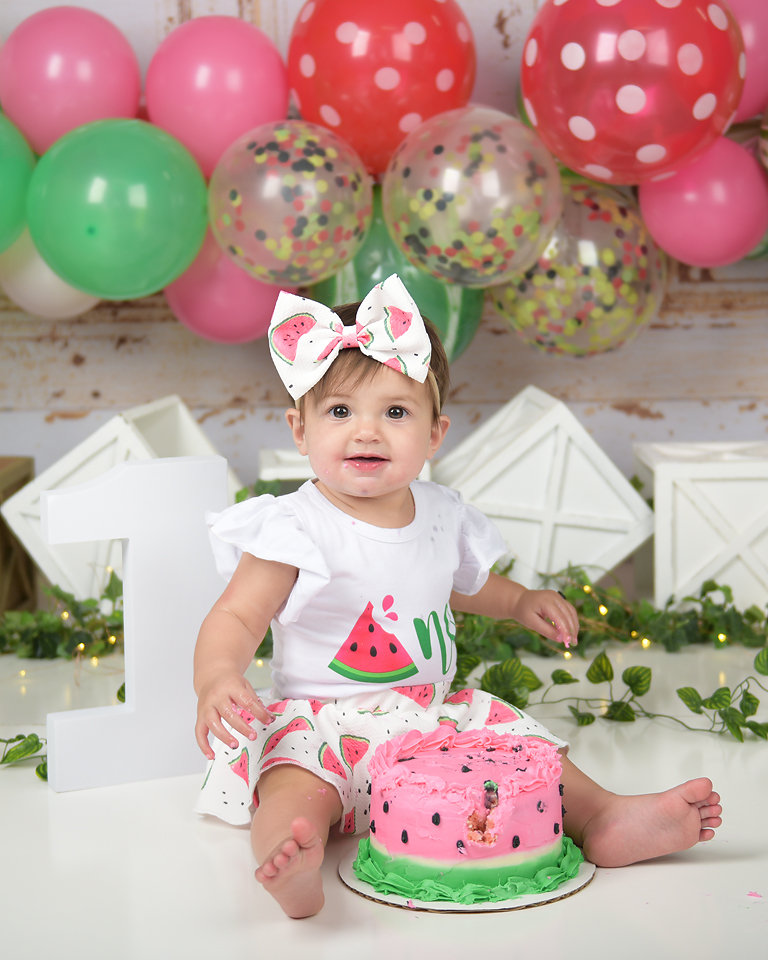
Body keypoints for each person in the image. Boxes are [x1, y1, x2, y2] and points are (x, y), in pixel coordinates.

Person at [193, 275, 722, 919]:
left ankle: (603, 816)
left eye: (395, 412)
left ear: (435, 434)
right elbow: (237, 615)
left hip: (432, 719)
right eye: (339, 412)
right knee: (291, 789)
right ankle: (292, 859)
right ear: (299, 430)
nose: (367, 432)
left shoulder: (441, 514)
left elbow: (458, 584)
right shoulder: (292, 527)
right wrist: (217, 675)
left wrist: (518, 601)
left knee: (522, 748)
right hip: (323, 725)